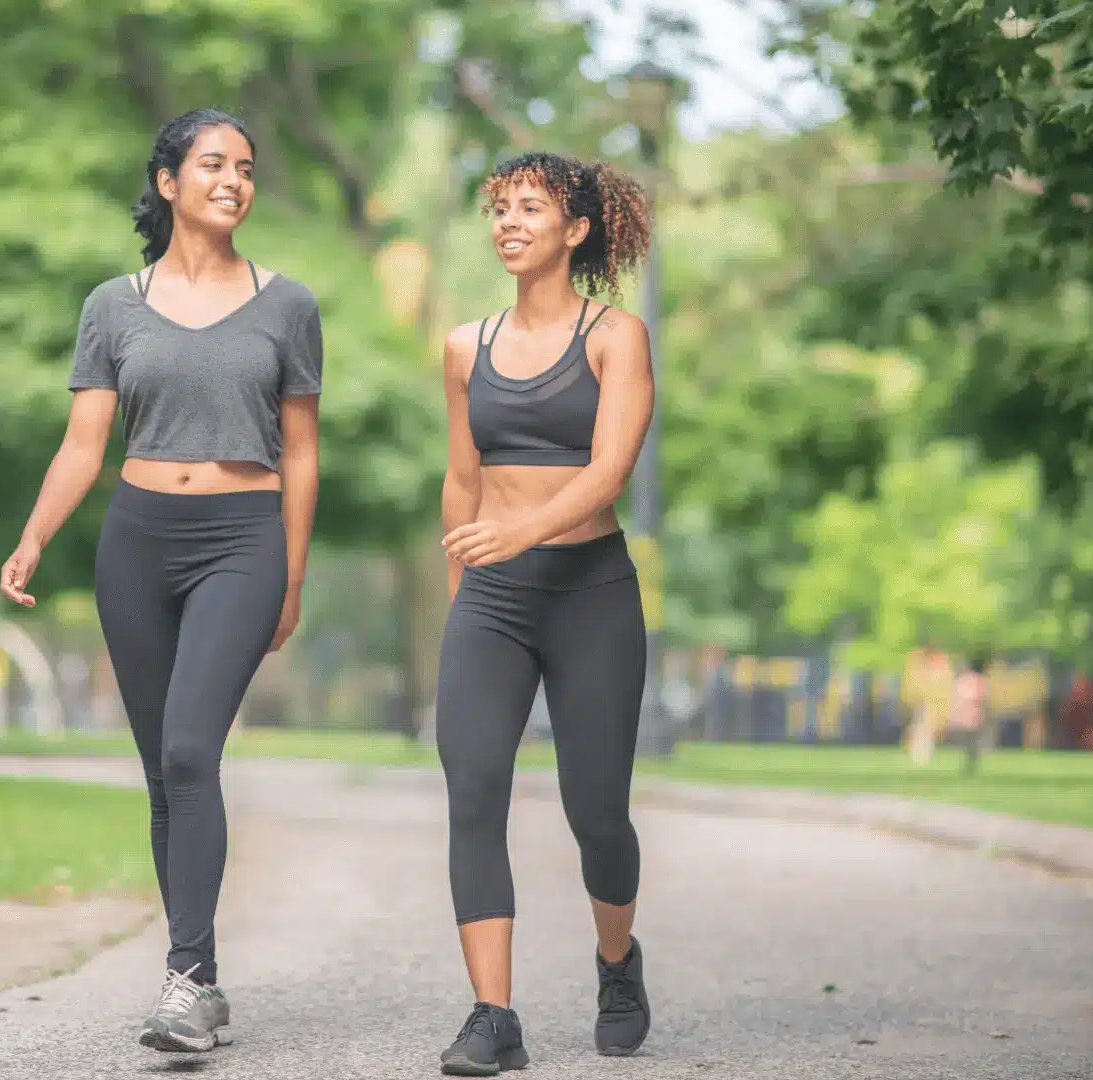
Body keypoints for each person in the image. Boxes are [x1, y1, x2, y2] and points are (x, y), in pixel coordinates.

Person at [0, 107, 321, 1054]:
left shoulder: (288, 305)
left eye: (246, 168)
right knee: (162, 774)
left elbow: (302, 454)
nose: (233, 181)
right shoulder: (112, 306)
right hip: (137, 542)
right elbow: (84, 444)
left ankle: (182, 981)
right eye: (214, 164)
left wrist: (292, 576)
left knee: (189, 751)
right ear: (169, 182)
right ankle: (199, 983)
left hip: (242, 539)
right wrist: (33, 537)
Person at [433, 151, 656, 1074]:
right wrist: (463, 594)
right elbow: (462, 479)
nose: (510, 223)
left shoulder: (616, 337)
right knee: (474, 790)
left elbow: (610, 473)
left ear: (576, 230)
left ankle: (618, 962)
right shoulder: (464, 346)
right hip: (492, 601)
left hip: (590, 595)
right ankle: (493, 1016)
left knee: (595, 811)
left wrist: (518, 533)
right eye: (501, 208)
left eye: (532, 208)